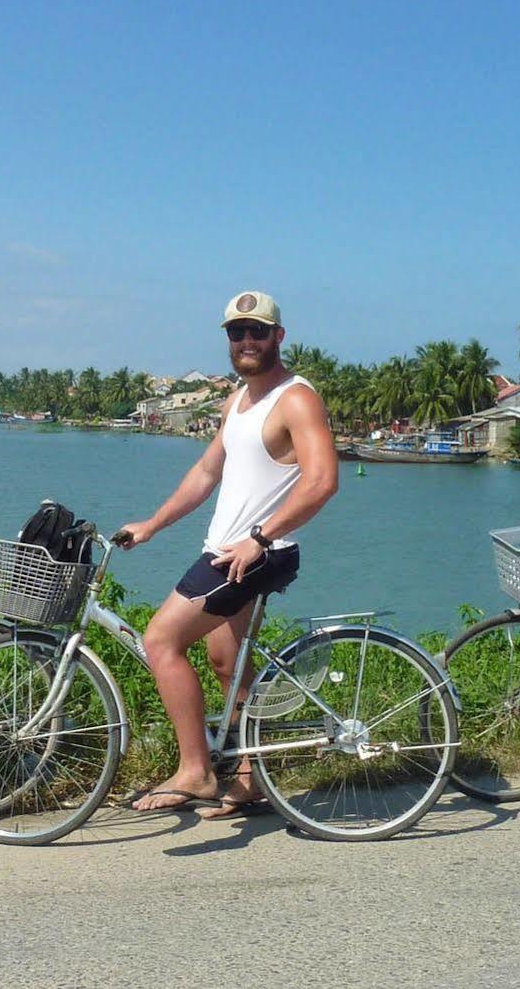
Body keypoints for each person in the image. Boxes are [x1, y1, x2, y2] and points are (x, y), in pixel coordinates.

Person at [115, 291, 339, 819]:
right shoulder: (236, 400)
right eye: (236, 333)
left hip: (261, 551)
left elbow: (323, 481)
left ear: (278, 337)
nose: (246, 341)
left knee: (160, 639)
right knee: (225, 662)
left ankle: (195, 771)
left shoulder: (296, 398)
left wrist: (260, 537)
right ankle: (249, 777)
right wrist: (151, 524)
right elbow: (205, 473)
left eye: (257, 331)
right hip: (227, 551)